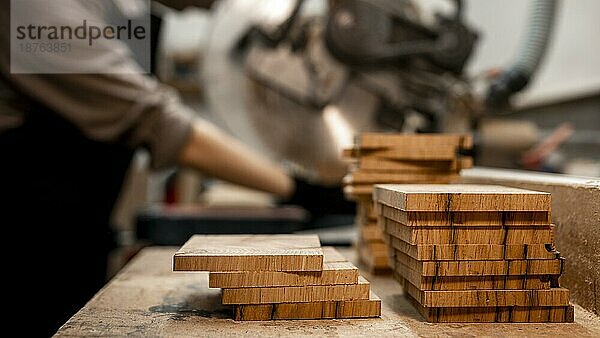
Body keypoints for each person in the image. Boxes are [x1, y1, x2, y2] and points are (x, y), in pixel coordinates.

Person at [0, 0, 305, 335]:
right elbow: (160, 125)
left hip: (75, 236)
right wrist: (298, 188)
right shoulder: (35, 9)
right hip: (25, 250)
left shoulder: (129, 13)